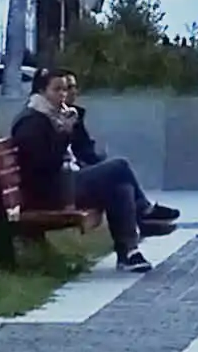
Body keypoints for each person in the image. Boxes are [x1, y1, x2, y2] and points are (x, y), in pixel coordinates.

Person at [11, 68, 175, 273]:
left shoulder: (56, 116)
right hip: (50, 191)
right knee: (119, 167)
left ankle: (129, 254)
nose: (63, 94)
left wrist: (70, 128)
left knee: (119, 186)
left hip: (65, 182)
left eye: (64, 89)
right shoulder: (32, 121)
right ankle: (144, 212)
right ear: (41, 92)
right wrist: (64, 134)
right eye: (57, 89)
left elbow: (82, 151)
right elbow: (43, 165)